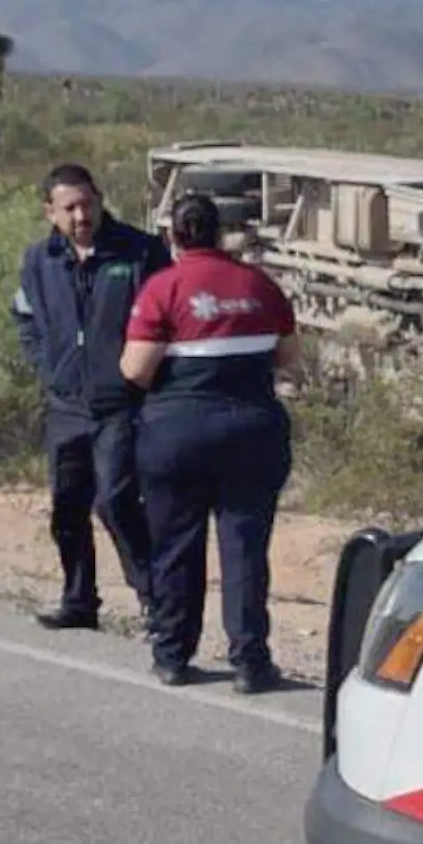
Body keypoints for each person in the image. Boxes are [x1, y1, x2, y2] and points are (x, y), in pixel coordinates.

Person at [119, 193, 301, 693]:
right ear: (220, 234)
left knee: (176, 547)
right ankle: (250, 662)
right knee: (244, 548)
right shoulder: (259, 286)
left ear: (173, 236)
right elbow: (287, 355)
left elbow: (134, 370)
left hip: (177, 435)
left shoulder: (164, 289)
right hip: (251, 431)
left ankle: (174, 656)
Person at [11, 162, 171, 634]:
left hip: (121, 403)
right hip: (67, 405)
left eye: (88, 203)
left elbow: (166, 320)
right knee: (67, 505)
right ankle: (79, 600)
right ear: (50, 212)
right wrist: (48, 364)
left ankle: (155, 602)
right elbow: (24, 318)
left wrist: (146, 378)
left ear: (100, 200)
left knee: (117, 500)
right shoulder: (40, 261)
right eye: (70, 208)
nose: (81, 215)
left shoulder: (140, 252)